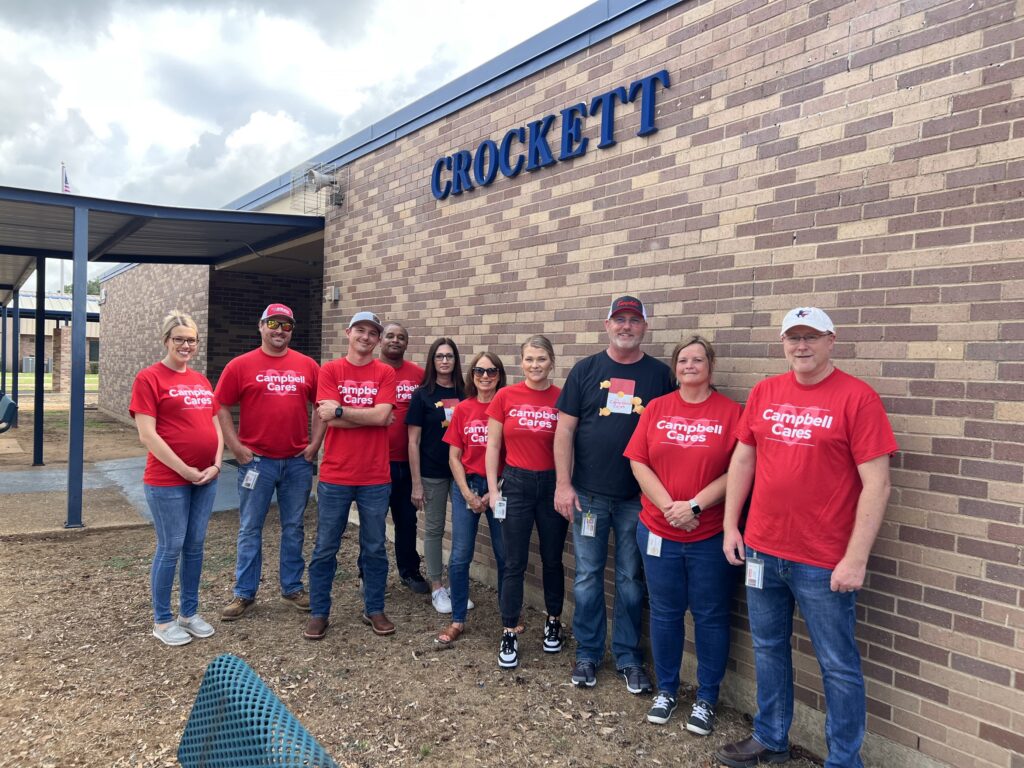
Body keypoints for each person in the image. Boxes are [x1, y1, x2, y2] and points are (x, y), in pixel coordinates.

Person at [714, 307, 897, 768]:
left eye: (811, 337)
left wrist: (856, 558)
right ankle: (771, 737)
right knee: (768, 647)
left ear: (831, 340)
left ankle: (843, 760)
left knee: (837, 664)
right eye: (793, 337)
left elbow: (877, 483)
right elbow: (742, 461)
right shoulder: (765, 392)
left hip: (823, 560)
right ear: (783, 343)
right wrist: (731, 524)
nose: (801, 346)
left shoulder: (857, 398)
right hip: (762, 548)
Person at [554, 295, 675, 691]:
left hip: (636, 500)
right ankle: (588, 653)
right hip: (588, 495)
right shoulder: (586, 370)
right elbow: (565, 430)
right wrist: (563, 483)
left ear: (645, 327)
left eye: (634, 320)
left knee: (630, 578)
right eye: (619, 319)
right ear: (606, 324)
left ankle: (627, 656)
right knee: (588, 576)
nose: (626, 326)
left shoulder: (659, 375)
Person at [624, 336, 742, 731]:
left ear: (711, 365)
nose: (690, 365)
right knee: (665, 612)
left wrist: (693, 507)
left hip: (709, 534)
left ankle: (706, 698)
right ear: (675, 368)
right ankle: (668, 690)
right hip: (659, 531)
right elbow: (638, 462)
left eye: (698, 359)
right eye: (683, 360)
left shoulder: (730, 413)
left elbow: (739, 471)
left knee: (710, 616)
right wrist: (670, 510)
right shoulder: (657, 408)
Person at [216, 303, 325, 622]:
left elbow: (322, 406)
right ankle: (244, 593)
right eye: (274, 324)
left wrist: (314, 445)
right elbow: (220, 405)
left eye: (287, 325)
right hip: (256, 463)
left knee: (293, 526)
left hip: (296, 463)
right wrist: (235, 447)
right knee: (250, 527)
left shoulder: (307, 365)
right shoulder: (240, 365)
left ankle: (292, 587)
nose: (280, 331)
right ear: (261, 326)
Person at [130, 310, 223, 646]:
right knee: (171, 547)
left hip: (206, 478)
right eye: (180, 339)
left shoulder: (200, 380)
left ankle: (189, 613)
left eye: (192, 340)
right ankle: (163, 619)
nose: (186, 345)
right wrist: (185, 470)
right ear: (166, 340)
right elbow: (148, 435)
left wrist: (215, 463)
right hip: (168, 480)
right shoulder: (149, 378)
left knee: (195, 546)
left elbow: (214, 424)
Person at [304, 311, 396, 640]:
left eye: (373, 333)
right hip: (335, 475)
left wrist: (342, 410)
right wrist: (369, 416)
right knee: (325, 547)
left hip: (374, 475)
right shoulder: (330, 370)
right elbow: (328, 418)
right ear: (348, 333)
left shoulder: (385, 372)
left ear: (377, 340)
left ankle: (374, 608)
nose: (366, 337)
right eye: (361, 330)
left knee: (373, 547)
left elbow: (381, 415)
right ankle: (319, 612)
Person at [486, 336, 567, 669]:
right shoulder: (505, 396)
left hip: (551, 485)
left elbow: (570, 447)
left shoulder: (563, 398)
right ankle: (509, 629)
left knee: (552, 559)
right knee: (513, 562)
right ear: (522, 362)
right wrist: (493, 490)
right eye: (530, 359)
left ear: (552, 361)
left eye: (542, 359)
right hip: (516, 483)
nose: (536, 365)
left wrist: (566, 486)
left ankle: (553, 621)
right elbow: (493, 446)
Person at [435, 351, 507, 648]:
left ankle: (509, 618)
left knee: (506, 556)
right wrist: (466, 492)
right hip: (467, 485)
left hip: (499, 488)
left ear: (499, 375)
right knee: (460, 556)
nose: (486, 377)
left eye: (491, 372)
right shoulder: (463, 409)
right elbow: (454, 456)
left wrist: (494, 490)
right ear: (472, 375)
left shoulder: (506, 407)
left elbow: (513, 455)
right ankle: (457, 619)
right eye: (479, 371)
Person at [406, 338, 465, 612]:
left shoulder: (466, 392)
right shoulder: (422, 395)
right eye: (439, 356)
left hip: (464, 471)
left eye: (449, 356)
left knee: (463, 531)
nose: (444, 361)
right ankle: (437, 586)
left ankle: (456, 586)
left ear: (455, 360)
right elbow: (413, 441)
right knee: (434, 528)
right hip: (432, 472)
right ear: (432, 360)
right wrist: (416, 482)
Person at [376, 322, 430, 594]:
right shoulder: (370, 372)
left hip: (409, 465)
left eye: (401, 337)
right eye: (390, 336)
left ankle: (409, 571)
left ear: (407, 343)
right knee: (373, 523)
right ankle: (368, 574)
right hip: (375, 463)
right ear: (380, 340)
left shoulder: (418, 376)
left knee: (407, 521)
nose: (395, 341)